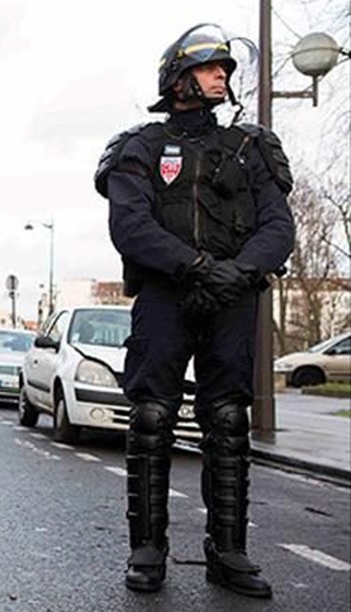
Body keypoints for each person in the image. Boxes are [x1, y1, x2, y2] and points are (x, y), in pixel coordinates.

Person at [95, 24, 295, 598]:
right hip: (166, 296)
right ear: (179, 78)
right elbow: (130, 226)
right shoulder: (142, 146)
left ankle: (228, 550)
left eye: (227, 72)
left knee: (229, 422)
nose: (222, 78)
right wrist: (195, 266)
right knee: (152, 417)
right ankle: (148, 547)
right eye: (211, 69)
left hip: (233, 298)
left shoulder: (250, 147)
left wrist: (241, 271)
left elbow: (278, 225)